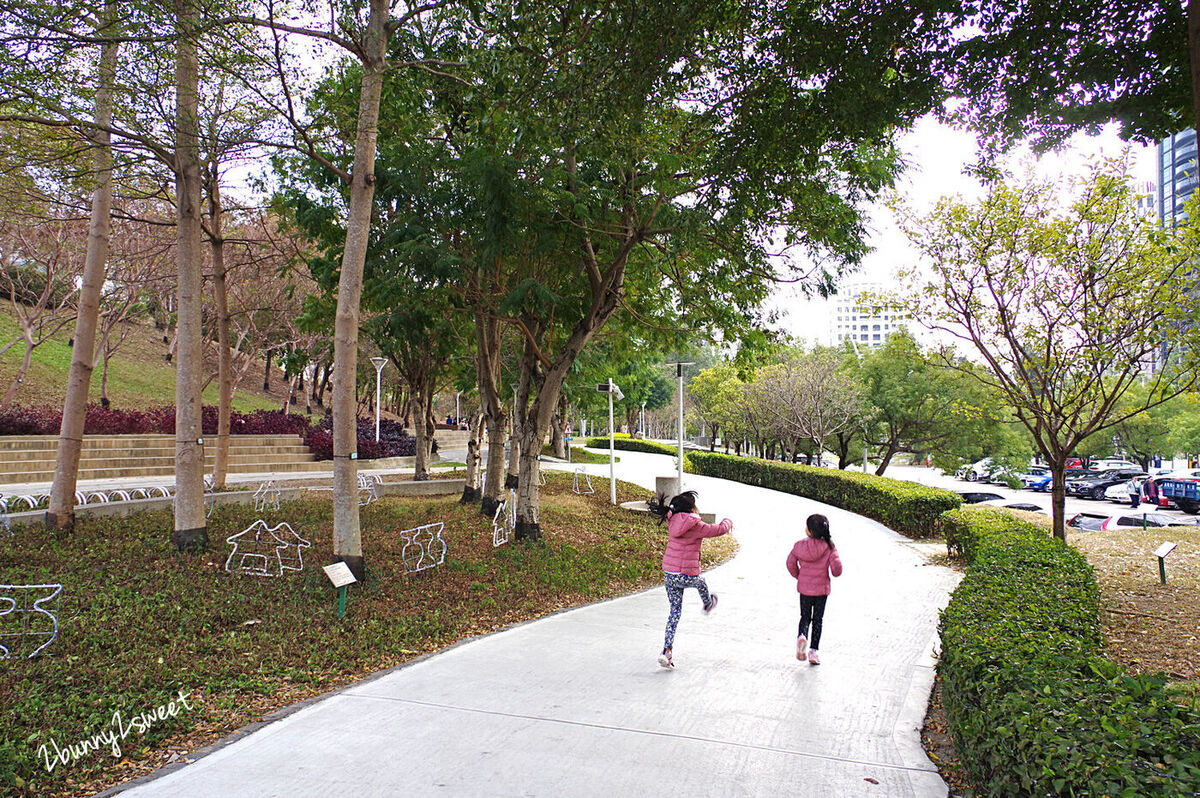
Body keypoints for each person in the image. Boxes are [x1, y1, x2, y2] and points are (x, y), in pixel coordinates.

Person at [646, 490, 733, 668]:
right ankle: (708, 603)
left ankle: (666, 651)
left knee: (674, 613)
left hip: (670, 575)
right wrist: (728, 521)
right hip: (686, 574)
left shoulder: (672, 520)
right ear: (692, 508)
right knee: (701, 582)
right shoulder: (695, 525)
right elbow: (718, 530)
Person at [786, 513, 843, 666]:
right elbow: (836, 570)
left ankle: (802, 636)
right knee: (818, 620)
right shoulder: (830, 547)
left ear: (810, 530)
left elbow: (790, 563)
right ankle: (813, 651)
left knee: (805, 616)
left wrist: (799, 576)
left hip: (804, 590)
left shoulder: (799, 546)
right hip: (822, 591)